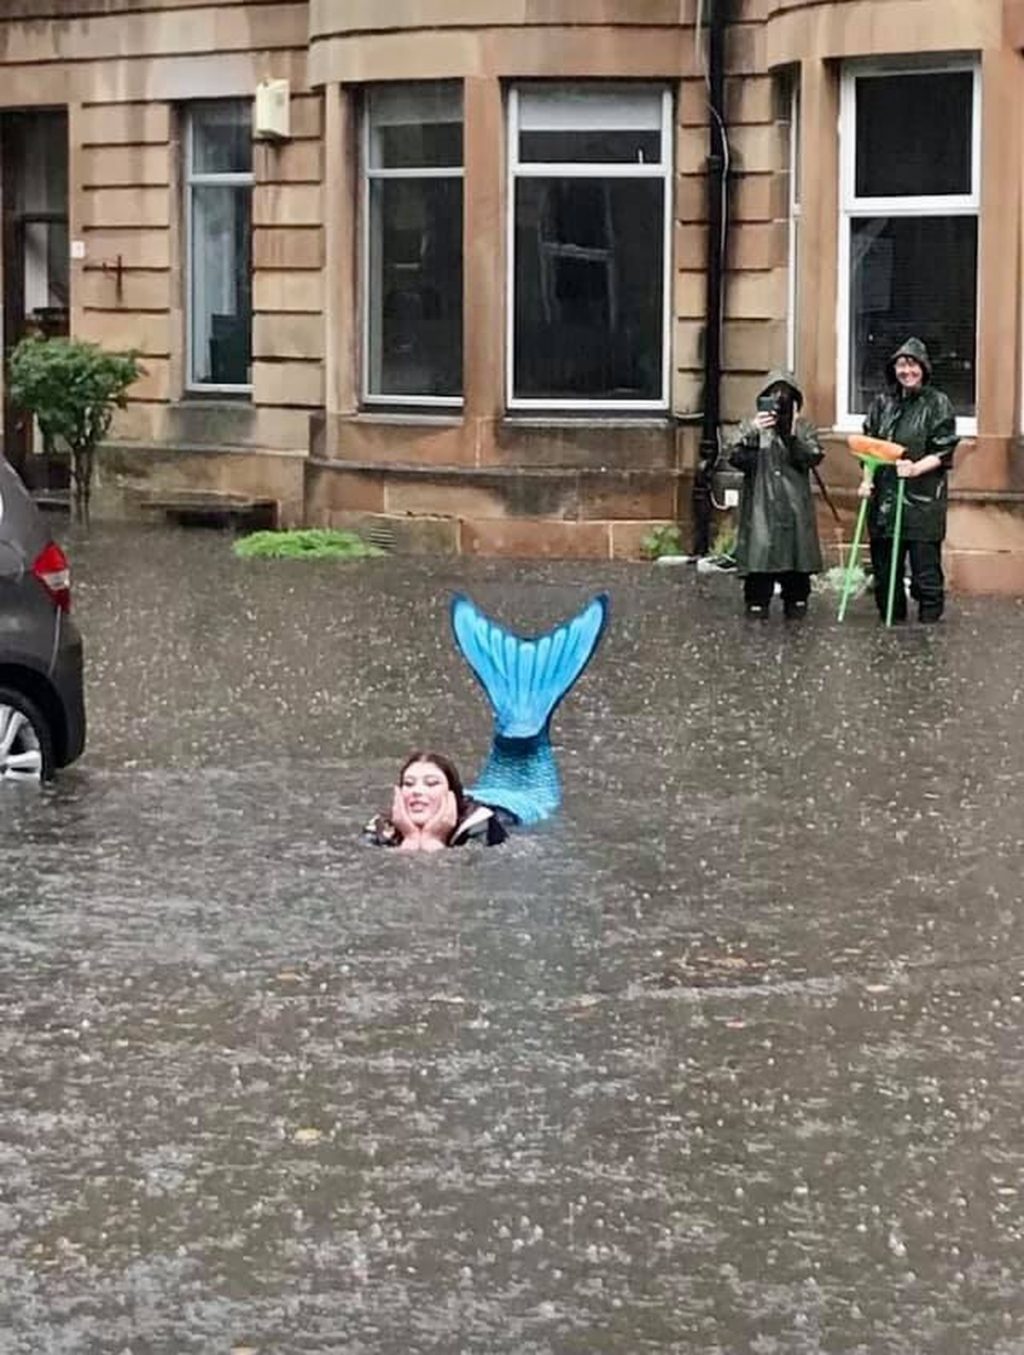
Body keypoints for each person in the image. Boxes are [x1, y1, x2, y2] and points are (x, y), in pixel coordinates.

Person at [364, 593, 610, 850]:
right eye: (409, 783)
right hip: (505, 793)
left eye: (432, 783)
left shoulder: (482, 823)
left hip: (520, 801)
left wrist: (433, 838)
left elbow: (439, 875)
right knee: (524, 727)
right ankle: (529, 701)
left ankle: (525, 712)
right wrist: (412, 837)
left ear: (453, 794)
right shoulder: (382, 827)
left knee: (524, 729)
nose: (417, 791)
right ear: (398, 793)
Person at [858, 337, 959, 623]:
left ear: (924, 369)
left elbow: (943, 449)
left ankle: (929, 628)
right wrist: (867, 480)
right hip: (886, 499)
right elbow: (870, 448)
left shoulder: (937, 403)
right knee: (886, 569)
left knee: (925, 569)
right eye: (902, 365)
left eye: (913, 365)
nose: (907, 371)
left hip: (923, 499)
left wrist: (916, 469)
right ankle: (891, 622)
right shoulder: (882, 404)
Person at [728, 369, 824, 618]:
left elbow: (813, 456)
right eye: (773, 396)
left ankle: (796, 608)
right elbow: (733, 456)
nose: (779, 403)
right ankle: (757, 607)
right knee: (759, 567)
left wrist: (792, 437)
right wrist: (752, 429)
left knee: (796, 568)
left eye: (785, 397)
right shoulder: (754, 428)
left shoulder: (803, 429)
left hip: (794, 510)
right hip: (761, 510)